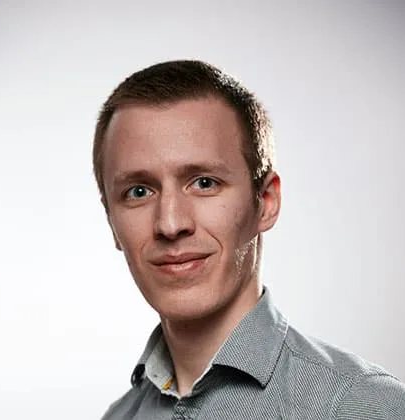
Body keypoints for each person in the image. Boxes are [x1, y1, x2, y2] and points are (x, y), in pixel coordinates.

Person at [93, 60, 405, 419]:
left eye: (204, 183)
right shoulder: (119, 415)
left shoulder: (360, 407)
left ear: (266, 202)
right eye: (138, 191)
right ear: (111, 221)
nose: (170, 223)